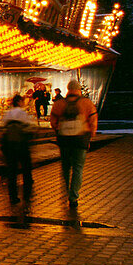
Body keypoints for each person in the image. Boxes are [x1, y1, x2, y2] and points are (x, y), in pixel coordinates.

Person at [49, 80, 98, 210]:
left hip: (64, 140)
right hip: (80, 140)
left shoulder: (59, 104)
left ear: (68, 89)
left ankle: (66, 191)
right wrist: (90, 135)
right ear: (78, 90)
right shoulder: (86, 103)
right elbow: (93, 121)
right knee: (78, 168)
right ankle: (73, 196)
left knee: (65, 167)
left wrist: (58, 131)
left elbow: (53, 121)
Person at [1, 94, 35, 206]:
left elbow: (2, 128)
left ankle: (13, 196)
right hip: (22, 144)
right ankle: (27, 194)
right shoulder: (22, 114)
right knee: (26, 169)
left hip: (10, 145)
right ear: (19, 102)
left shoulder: (8, 113)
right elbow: (29, 127)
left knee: (12, 171)